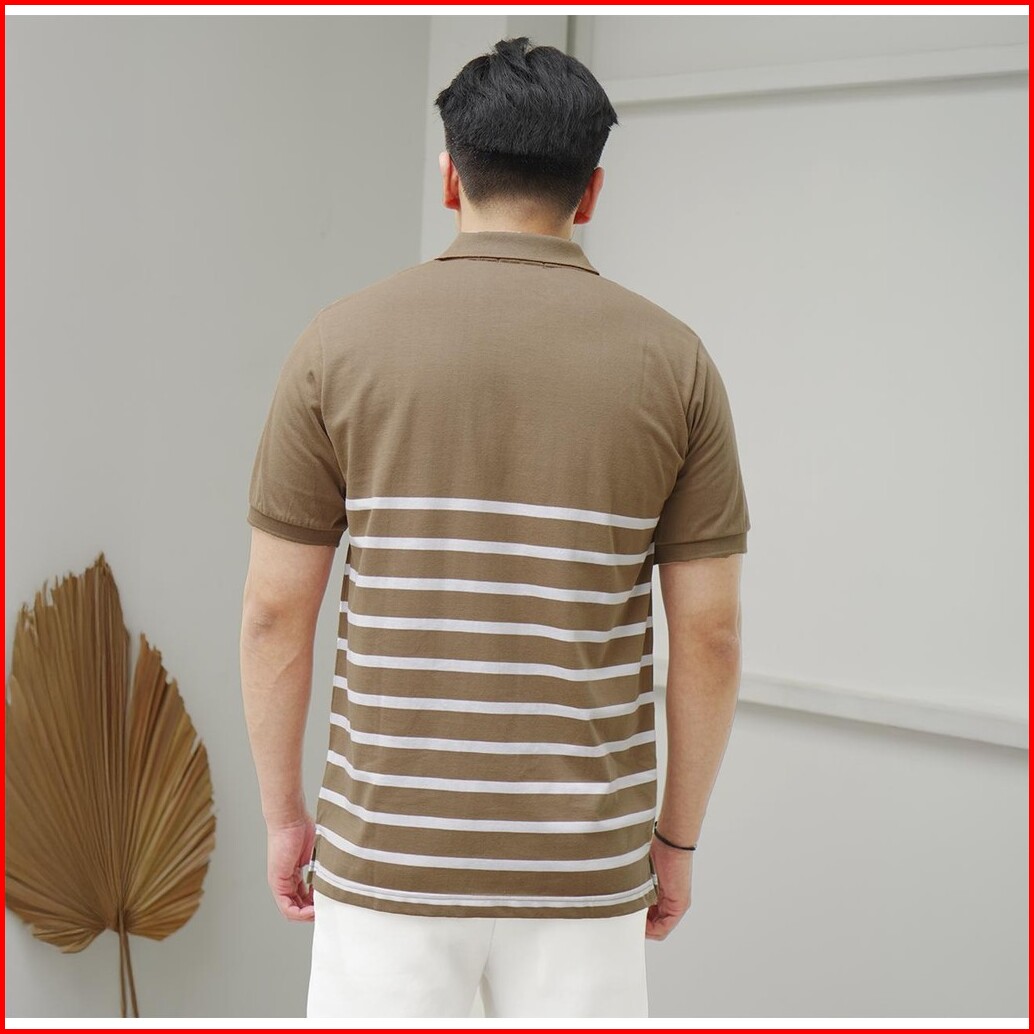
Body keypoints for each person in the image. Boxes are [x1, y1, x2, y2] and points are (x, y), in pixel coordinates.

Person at [240, 35, 749, 1020]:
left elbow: (272, 614)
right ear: (590, 192)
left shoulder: (336, 346)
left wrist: (285, 816)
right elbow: (711, 635)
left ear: (449, 177)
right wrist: (674, 840)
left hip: (386, 854)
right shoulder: (676, 363)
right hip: (583, 865)